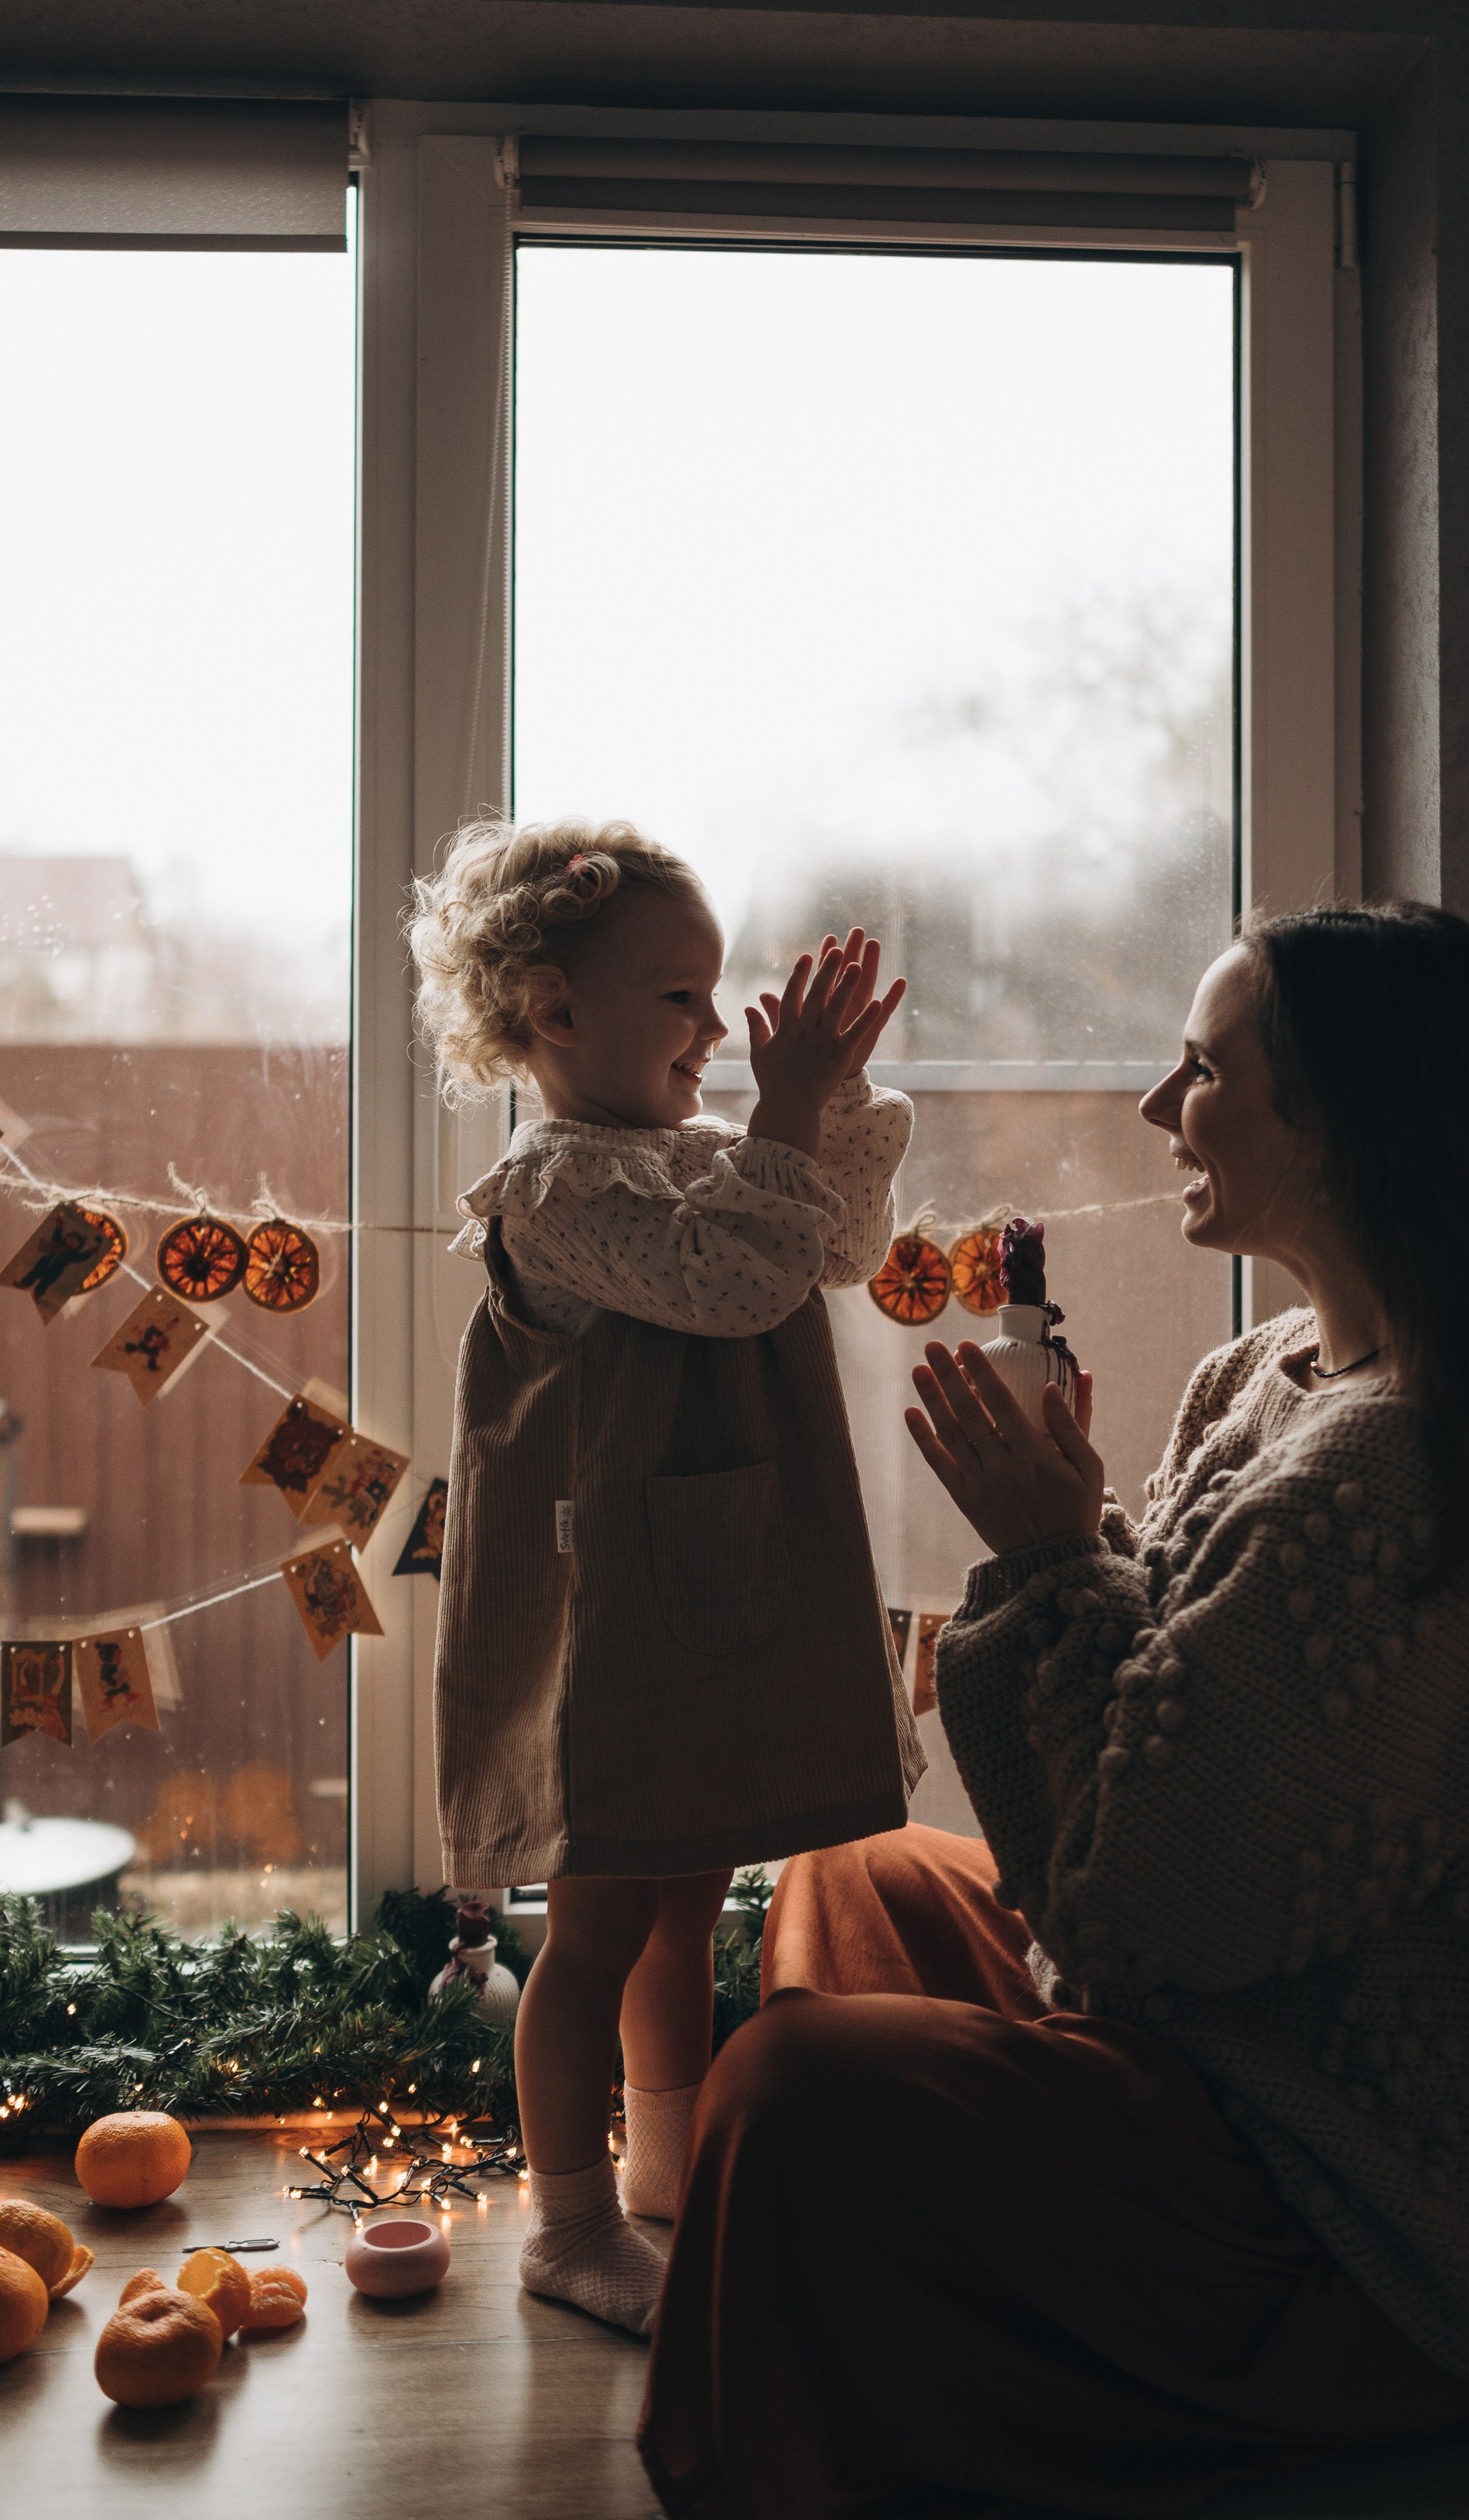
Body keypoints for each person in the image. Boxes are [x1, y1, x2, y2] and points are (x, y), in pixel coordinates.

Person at [640, 902, 1469, 2518]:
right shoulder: (1265, 1373)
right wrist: (1080, 1545)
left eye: (1201, 1070)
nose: (1152, 1109)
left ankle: (880, 2394)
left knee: (790, 2090)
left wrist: (1058, 1554)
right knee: (854, 1870)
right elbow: (1173, 1708)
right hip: (1213, 2044)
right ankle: (950, 2308)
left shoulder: (1402, 1467)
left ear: (1343, 1121)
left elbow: (1146, 1908)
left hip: (1364, 2199)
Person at [409, 816, 924, 2336]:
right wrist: (776, 1113)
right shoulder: (557, 1187)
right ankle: (567, 2224)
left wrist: (816, 1106)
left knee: (683, 1889)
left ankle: (665, 2161)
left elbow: (832, 1247)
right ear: (554, 1013)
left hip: (706, 1594)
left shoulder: (683, 1156)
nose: (713, 1027)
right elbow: (739, 1273)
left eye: (716, 996)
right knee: (595, 1922)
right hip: (612, 1622)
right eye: (678, 1000)